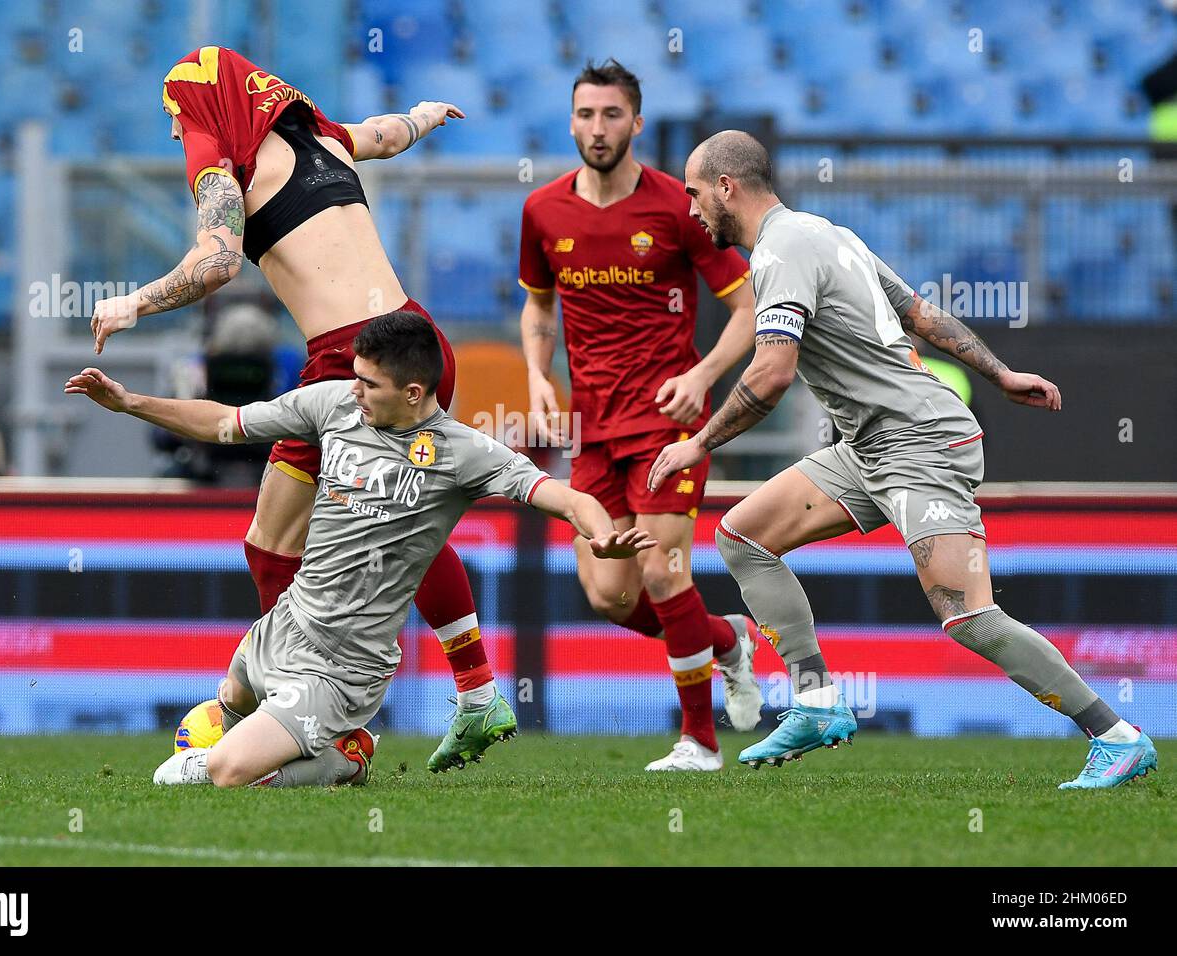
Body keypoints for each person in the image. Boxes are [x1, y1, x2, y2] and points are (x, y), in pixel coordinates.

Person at [649, 130, 1157, 790]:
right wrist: (1000, 374)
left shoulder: (780, 252)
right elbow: (919, 312)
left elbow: (772, 373)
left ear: (725, 187)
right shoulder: (829, 235)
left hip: (920, 443)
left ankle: (1117, 737)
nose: (688, 211)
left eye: (692, 194)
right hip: (868, 447)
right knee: (743, 535)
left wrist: (695, 442)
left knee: (969, 616)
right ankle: (818, 701)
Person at [87, 45, 511, 771]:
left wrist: (133, 301)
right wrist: (423, 116)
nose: (173, 134)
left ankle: (306, 709)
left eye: (175, 116)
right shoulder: (322, 138)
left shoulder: (229, 164)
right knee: (394, 518)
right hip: (413, 337)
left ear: (204, 107)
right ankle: (474, 694)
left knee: (274, 541)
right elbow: (381, 136)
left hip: (354, 364)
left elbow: (217, 261)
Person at [66, 311, 654, 787]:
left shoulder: (463, 452)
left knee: (223, 772)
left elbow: (564, 497)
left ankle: (345, 757)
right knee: (229, 701)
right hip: (285, 624)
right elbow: (225, 423)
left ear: (414, 392)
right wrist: (131, 403)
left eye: (369, 383)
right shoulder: (334, 406)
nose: (356, 389)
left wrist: (600, 533)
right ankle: (286, 739)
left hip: (343, 667)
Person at [518, 59, 762, 771]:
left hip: (666, 421)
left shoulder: (677, 207)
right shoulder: (542, 212)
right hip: (592, 428)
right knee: (607, 593)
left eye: (612, 115)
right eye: (587, 115)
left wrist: (704, 373)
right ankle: (726, 641)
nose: (599, 128)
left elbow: (747, 308)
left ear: (637, 123)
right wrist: (536, 375)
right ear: (571, 122)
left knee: (662, 573)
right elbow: (537, 307)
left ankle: (699, 740)